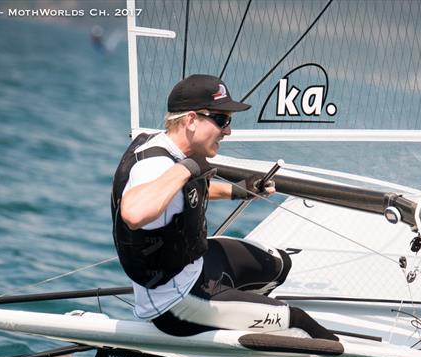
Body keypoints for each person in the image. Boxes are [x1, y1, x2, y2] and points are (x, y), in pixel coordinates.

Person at [111, 74, 337, 341]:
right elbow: (134, 214)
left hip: (195, 267)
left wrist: (239, 190)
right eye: (221, 120)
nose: (228, 130)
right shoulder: (157, 166)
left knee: (277, 265)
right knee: (300, 323)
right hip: (177, 304)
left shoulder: (167, 145)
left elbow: (180, 196)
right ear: (191, 120)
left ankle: (239, 317)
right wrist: (186, 168)